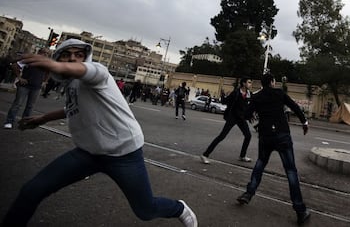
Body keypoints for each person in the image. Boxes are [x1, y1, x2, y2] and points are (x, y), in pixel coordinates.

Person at [1, 39, 198, 227]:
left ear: (85, 58)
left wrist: (57, 66)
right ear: (59, 57)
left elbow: (85, 70)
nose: (72, 59)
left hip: (123, 154)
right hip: (88, 153)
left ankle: (179, 208)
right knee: (31, 191)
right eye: (66, 55)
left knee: (145, 210)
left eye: (78, 55)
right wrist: (43, 119)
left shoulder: (97, 72)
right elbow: (71, 108)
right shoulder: (71, 85)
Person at [236, 73, 310, 225]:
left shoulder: (257, 97)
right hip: (282, 135)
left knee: (261, 163)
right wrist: (304, 122)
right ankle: (300, 210)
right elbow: (294, 106)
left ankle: (249, 193)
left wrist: (257, 120)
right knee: (290, 171)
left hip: (266, 136)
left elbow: (247, 114)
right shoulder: (279, 93)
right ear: (272, 82)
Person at [200, 77, 253, 164]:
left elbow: (247, 107)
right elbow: (225, 101)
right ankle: (205, 155)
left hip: (241, 118)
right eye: (249, 82)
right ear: (244, 83)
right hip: (232, 118)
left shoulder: (248, 94)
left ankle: (242, 156)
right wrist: (223, 95)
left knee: (248, 135)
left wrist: (249, 116)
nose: (250, 84)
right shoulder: (236, 93)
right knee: (222, 136)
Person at [3, 48, 50, 129]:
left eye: (47, 54)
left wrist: (45, 81)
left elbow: (49, 72)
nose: (45, 55)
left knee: (30, 106)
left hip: (36, 87)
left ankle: (24, 122)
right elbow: (15, 65)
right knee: (17, 104)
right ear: (39, 52)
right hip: (24, 86)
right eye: (43, 53)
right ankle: (9, 121)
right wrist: (19, 77)